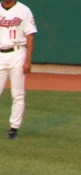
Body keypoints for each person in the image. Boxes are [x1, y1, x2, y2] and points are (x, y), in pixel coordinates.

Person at [0, 0, 36, 140]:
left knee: (17, 93)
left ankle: (14, 128)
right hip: (1, 53)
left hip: (18, 52)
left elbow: (30, 36)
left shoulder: (24, 10)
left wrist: (28, 60)